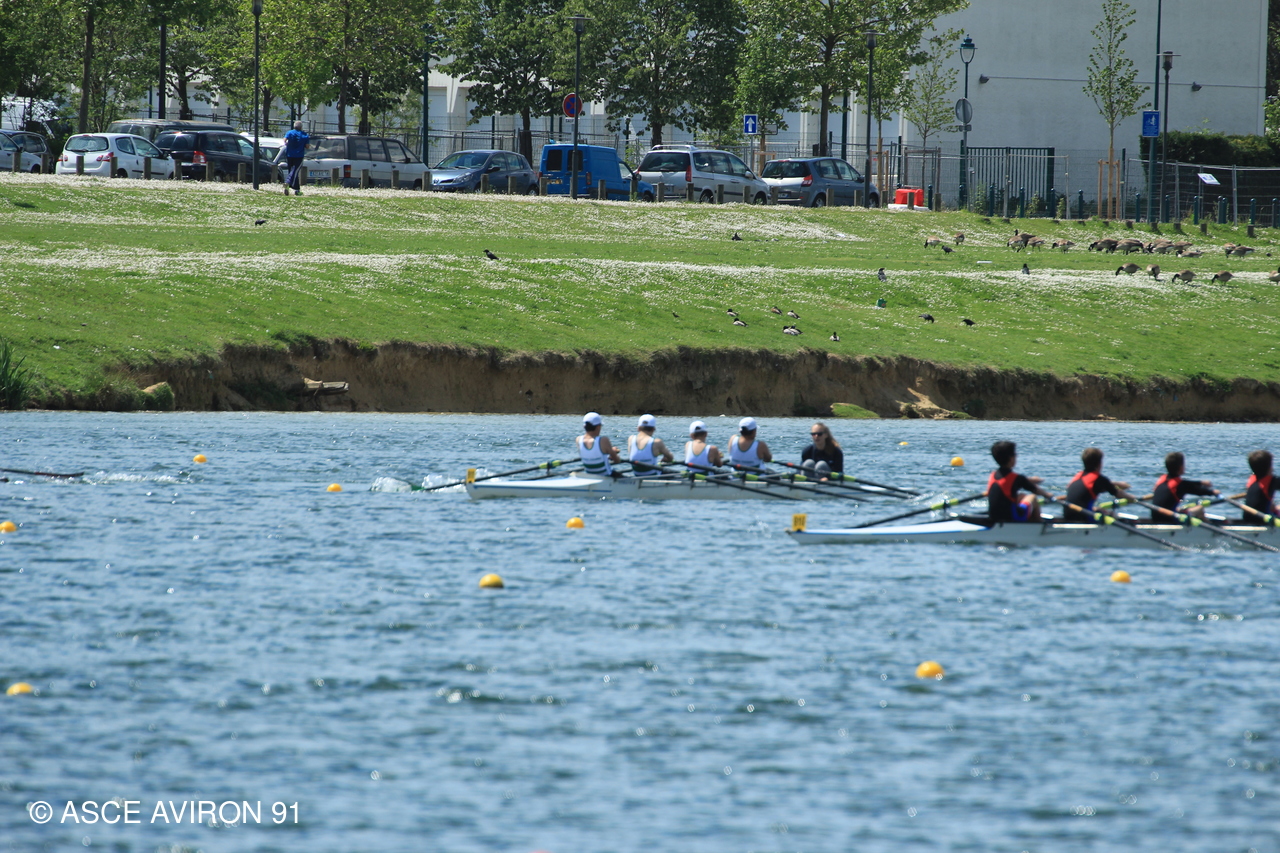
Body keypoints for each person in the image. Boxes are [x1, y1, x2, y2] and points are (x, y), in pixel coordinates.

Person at [986, 440, 1055, 522]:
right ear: (1011, 459)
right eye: (1015, 454)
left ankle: (1030, 520)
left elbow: (1010, 481)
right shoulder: (1016, 478)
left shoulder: (992, 475)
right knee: (1032, 497)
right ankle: (1039, 524)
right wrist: (1048, 495)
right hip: (1012, 517)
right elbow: (1035, 490)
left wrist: (1030, 480)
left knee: (1021, 496)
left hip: (993, 516)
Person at [1063, 447, 1135, 521]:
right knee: (1111, 515)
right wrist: (1134, 499)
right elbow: (1119, 494)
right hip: (1084, 518)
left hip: (1067, 516)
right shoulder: (1098, 479)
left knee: (1098, 509)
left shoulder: (1077, 477)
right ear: (1099, 463)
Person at [1151, 452, 1218, 520]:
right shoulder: (1180, 485)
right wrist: (1213, 492)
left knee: (1180, 509)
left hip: (1155, 517)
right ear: (1181, 467)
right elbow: (1198, 490)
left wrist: (1201, 482)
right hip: (1169, 519)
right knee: (1199, 509)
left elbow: (1188, 484)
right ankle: (1208, 525)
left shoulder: (1162, 479)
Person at [576, 412, 620, 477]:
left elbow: (593, 454)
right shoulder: (603, 440)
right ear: (598, 427)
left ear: (584, 426)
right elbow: (617, 461)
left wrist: (609, 451)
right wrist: (613, 452)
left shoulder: (578, 440)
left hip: (590, 476)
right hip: (607, 477)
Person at [1243, 449, 1279, 520]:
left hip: (1247, 519)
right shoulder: (1271, 481)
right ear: (1269, 468)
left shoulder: (1252, 479)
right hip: (1262, 520)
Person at [283, 120, 309, 196]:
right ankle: (287, 182)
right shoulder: (304, 135)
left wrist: (288, 144)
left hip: (289, 155)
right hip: (299, 156)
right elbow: (307, 146)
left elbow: (284, 140)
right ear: (301, 127)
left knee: (292, 172)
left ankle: (297, 190)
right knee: (295, 171)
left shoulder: (290, 133)